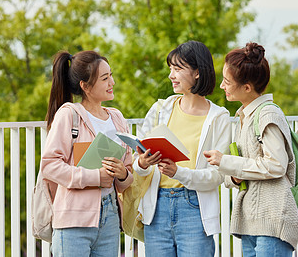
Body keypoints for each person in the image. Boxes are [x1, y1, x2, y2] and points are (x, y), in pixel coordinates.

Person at [132, 40, 232, 257]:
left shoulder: (219, 118)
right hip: (156, 207)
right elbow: (136, 160)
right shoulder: (160, 109)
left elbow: (219, 175)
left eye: (178, 69)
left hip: (194, 208)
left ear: (197, 72)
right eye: (171, 69)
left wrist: (179, 172)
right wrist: (142, 162)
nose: (171, 75)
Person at [204, 42, 298, 256]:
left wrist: (225, 162)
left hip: (272, 220)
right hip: (252, 222)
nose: (222, 86)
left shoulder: (267, 115)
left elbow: (276, 165)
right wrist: (234, 177)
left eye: (227, 82)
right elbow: (244, 170)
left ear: (247, 87)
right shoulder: (244, 116)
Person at [40, 50, 133, 257]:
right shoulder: (69, 114)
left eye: (111, 76)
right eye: (105, 78)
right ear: (85, 86)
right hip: (74, 218)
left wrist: (123, 174)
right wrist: (94, 176)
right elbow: (49, 166)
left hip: (110, 216)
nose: (113, 82)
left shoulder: (117, 118)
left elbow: (128, 173)